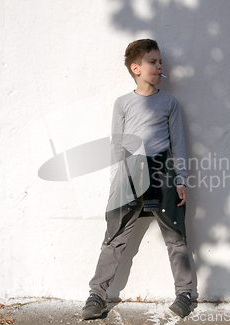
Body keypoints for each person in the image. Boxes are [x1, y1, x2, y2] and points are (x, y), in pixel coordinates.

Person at [82, 39, 193, 320]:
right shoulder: (122, 103)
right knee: (114, 237)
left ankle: (185, 293)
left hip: (162, 173)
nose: (159, 66)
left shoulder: (170, 103)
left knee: (176, 237)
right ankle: (97, 295)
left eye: (160, 62)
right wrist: (115, 183)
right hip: (129, 174)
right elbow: (117, 147)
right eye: (153, 61)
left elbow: (177, 145)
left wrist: (180, 180)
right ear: (136, 68)